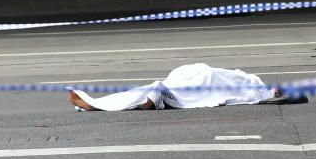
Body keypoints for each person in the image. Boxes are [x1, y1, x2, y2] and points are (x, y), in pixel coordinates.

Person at [66, 63, 297, 111]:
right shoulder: (255, 83)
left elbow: (232, 92)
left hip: (201, 80)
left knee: (160, 89)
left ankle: (96, 104)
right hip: (199, 75)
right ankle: (96, 104)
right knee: (163, 87)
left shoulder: (258, 90)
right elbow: (231, 77)